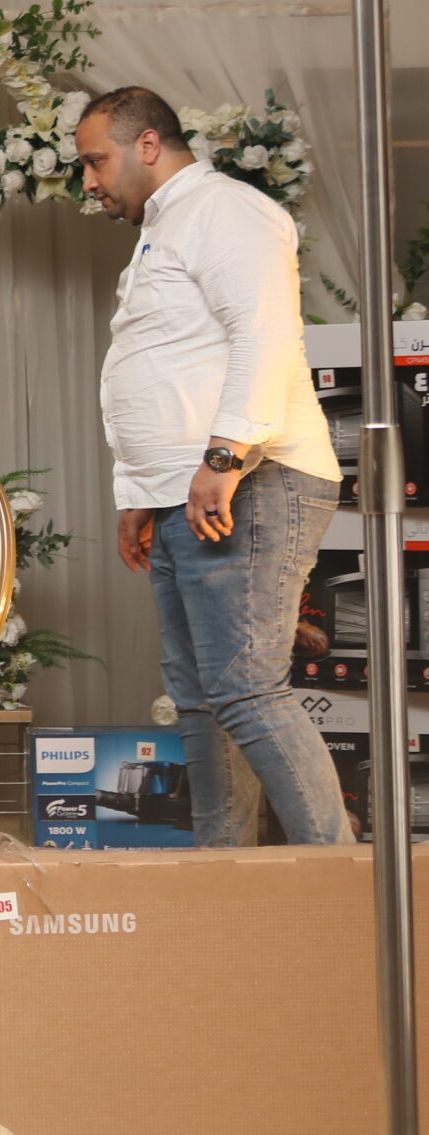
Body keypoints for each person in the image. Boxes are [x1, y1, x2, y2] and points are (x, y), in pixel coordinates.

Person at [81, 85, 348, 846]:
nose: (89, 182)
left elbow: (263, 335)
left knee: (246, 689)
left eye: (96, 161)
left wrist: (225, 459)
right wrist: (143, 494)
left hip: (251, 481)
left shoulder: (224, 209)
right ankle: (221, 879)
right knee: (200, 698)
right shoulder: (166, 227)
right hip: (187, 493)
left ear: (148, 144)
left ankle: (346, 883)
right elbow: (173, 362)